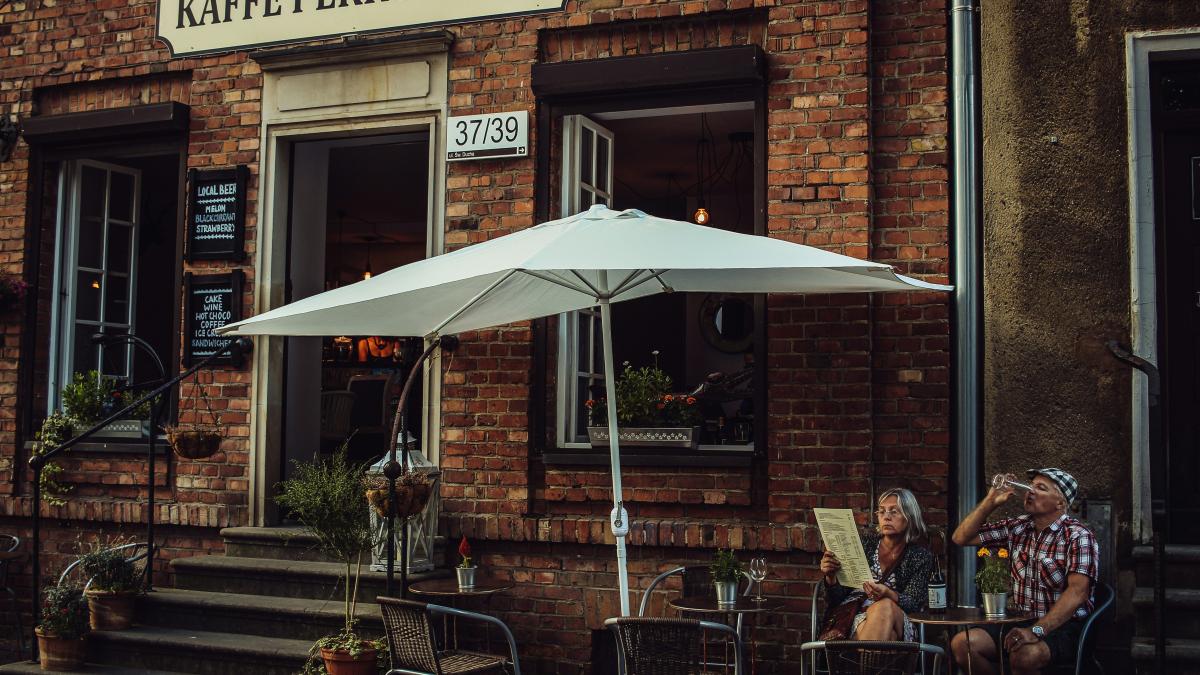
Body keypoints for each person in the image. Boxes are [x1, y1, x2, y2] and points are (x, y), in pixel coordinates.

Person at [950, 468, 1098, 675]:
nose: (1030, 491)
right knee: (963, 644)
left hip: (1065, 626)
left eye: (1041, 488)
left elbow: (1077, 593)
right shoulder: (1018, 527)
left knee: (1024, 656)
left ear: (1060, 502)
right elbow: (960, 537)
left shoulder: (1078, 536)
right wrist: (991, 501)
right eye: (1030, 486)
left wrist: (1036, 630)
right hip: (1020, 620)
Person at [819, 488, 935, 641]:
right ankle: (870, 654)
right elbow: (835, 599)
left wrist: (888, 594)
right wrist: (831, 578)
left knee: (884, 606)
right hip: (853, 615)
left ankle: (858, 654)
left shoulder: (920, 556)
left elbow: (915, 604)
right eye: (881, 511)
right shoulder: (863, 544)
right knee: (889, 637)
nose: (886, 517)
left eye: (894, 512)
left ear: (909, 517)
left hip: (898, 618)